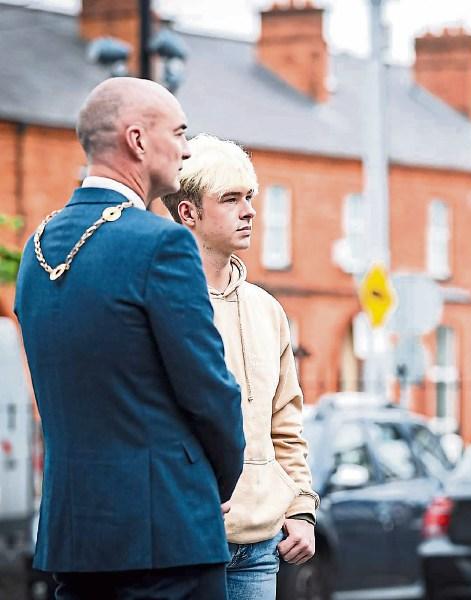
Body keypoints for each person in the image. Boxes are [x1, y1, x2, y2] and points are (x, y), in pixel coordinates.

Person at [14, 78, 245, 599]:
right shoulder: (161, 243)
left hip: (75, 536)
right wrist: (214, 484)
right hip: (168, 538)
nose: (187, 148)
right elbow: (211, 391)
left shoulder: (36, 249)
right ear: (137, 141)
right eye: (180, 132)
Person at [162, 134, 319, 600]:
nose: (250, 210)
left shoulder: (266, 309)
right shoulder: (161, 302)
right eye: (230, 199)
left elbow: (285, 422)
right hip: (186, 541)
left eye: (249, 196)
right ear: (188, 212)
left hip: (261, 548)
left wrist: (301, 509)